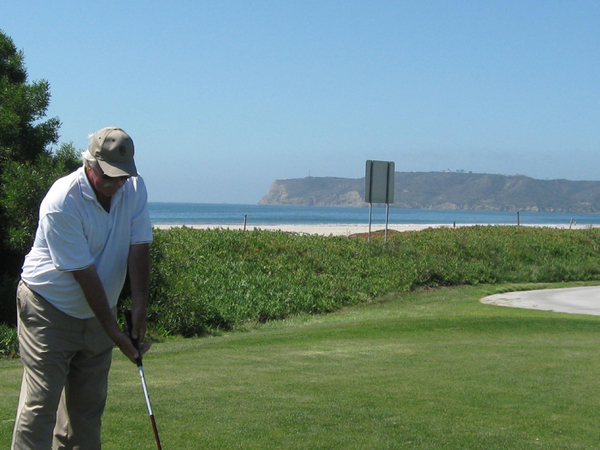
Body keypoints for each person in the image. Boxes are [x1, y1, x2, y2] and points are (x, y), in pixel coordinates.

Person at [11, 127, 153, 450]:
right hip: (48, 310)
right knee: (40, 408)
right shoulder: (63, 201)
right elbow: (85, 275)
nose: (117, 184)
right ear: (90, 163)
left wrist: (139, 307)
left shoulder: (133, 187)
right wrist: (115, 333)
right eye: (109, 176)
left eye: (122, 176)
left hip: (99, 313)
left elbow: (139, 245)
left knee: (86, 416)